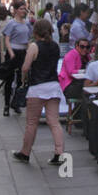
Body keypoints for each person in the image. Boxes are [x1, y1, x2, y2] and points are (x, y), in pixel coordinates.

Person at [11, 19, 67, 165]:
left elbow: (25, 68)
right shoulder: (55, 46)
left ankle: (25, 152)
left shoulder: (34, 47)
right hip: (53, 86)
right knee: (54, 122)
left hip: (37, 87)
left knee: (31, 123)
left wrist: (23, 80)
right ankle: (59, 153)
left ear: (36, 31)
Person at [1, 2, 33, 116]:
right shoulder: (11, 23)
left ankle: (15, 103)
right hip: (13, 52)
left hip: (23, 52)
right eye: (21, 8)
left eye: (25, 9)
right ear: (15, 10)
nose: (23, 11)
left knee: (21, 79)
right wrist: (10, 52)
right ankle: (6, 105)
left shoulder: (27, 24)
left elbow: (29, 39)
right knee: (9, 79)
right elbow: (6, 39)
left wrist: (29, 51)